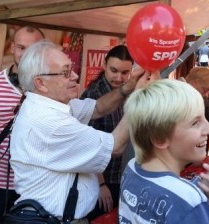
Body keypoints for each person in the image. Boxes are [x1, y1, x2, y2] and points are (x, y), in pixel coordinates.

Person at [9, 40, 154, 222]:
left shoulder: (47, 104)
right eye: (65, 72)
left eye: (72, 68)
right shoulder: (50, 123)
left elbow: (98, 108)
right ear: (40, 83)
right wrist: (138, 98)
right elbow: (115, 146)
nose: (76, 75)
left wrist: (128, 87)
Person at [119, 79, 209, 223]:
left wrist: (201, 197)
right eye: (195, 123)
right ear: (160, 139)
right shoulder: (188, 200)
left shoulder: (131, 167)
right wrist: (197, 202)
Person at [0, 25, 44, 223]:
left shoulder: (53, 88)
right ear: (13, 48)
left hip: (35, 185)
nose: (26, 55)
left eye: (33, 49)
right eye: (22, 48)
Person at [80, 45, 133, 221]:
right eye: (114, 70)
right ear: (104, 66)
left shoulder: (128, 92)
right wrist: (100, 183)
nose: (119, 77)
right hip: (101, 179)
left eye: (125, 72)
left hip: (120, 174)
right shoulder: (94, 94)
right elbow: (85, 142)